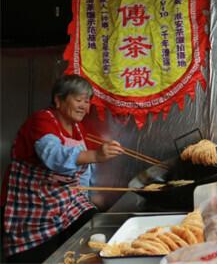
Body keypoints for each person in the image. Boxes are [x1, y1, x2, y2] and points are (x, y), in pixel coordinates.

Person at [1, 74, 124, 263]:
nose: (84, 105)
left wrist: (85, 198)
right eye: (78, 99)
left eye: (87, 101)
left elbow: (83, 170)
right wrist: (96, 155)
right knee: (39, 256)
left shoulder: (77, 128)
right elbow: (54, 157)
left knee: (92, 224)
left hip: (66, 200)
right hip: (33, 204)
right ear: (58, 100)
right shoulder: (42, 120)